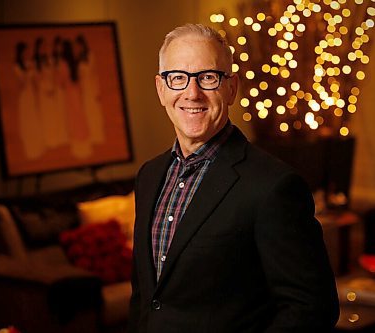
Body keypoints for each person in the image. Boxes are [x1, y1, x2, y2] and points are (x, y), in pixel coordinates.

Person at [128, 23, 339, 333]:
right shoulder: (149, 176)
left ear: (231, 88)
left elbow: (312, 308)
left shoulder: (273, 186)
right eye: (178, 79)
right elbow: (146, 299)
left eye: (208, 78)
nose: (192, 93)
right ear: (161, 89)